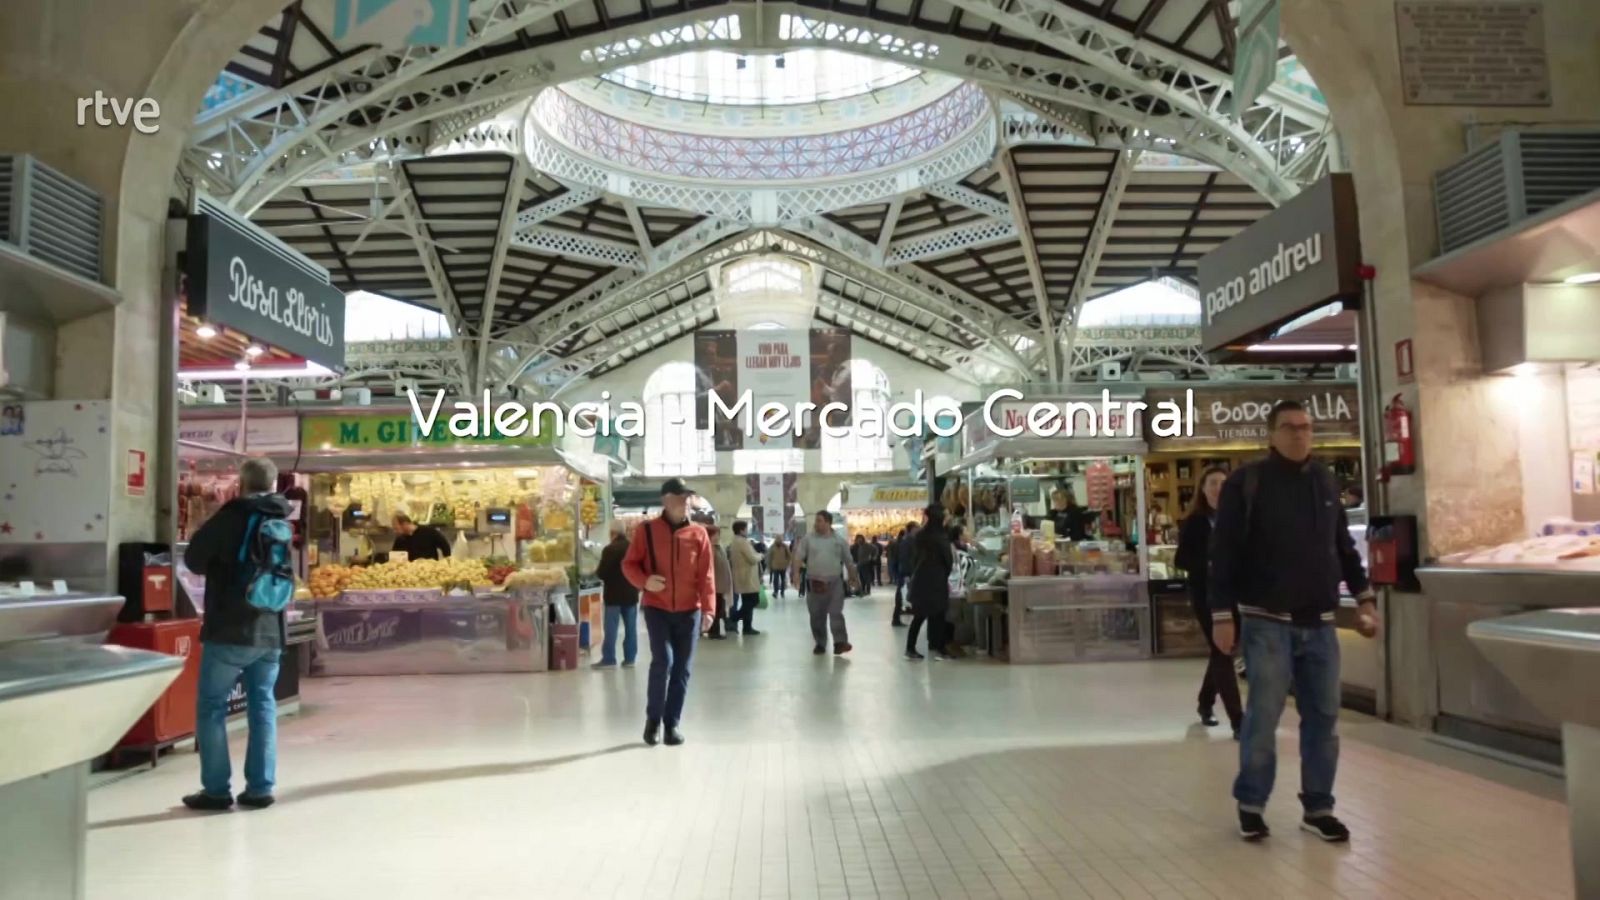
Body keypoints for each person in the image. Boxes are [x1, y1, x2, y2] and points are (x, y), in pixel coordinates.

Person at [1210, 400, 1380, 843]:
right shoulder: (1247, 484)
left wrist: (1363, 598)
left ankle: (1318, 807)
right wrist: (1221, 613)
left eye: (1306, 427)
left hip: (1320, 622)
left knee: (1323, 717)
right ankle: (1252, 803)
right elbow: (1223, 553)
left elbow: (1342, 546)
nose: (1300, 434)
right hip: (1267, 620)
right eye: (1289, 428)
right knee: (1264, 715)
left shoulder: (1325, 481)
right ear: (1271, 434)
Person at [180, 457, 291, 811]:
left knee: (212, 706)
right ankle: (260, 788)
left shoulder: (232, 516)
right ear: (273, 485)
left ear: (241, 484)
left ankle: (215, 790)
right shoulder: (278, 518)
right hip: (270, 629)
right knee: (263, 705)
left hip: (230, 627)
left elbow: (194, 559)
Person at [621, 478, 716, 747]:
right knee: (662, 661)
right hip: (657, 608)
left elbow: (706, 576)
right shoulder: (646, 531)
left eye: (687, 497)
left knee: (682, 669)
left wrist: (709, 610)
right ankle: (653, 721)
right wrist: (644, 582)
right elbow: (629, 565)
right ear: (666, 500)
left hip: (690, 612)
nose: (685, 501)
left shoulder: (698, 534)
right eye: (679, 496)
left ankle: (671, 724)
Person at [1174, 466, 1240, 736]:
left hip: (1234, 593)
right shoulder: (1196, 522)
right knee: (1222, 651)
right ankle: (1239, 720)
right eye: (1212, 483)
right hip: (1205, 595)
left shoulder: (1237, 519)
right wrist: (1210, 563)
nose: (1218, 488)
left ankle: (1205, 703)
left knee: (1222, 650)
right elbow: (1181, 560)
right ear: (1202, 489)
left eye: (1223, 483)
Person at [792, 511, 860, 655]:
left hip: (834, 583)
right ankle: (820, 643)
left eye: (819, 521)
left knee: (836, 612)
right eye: (816, 521)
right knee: (816, 615)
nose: (816, 524)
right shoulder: (808, 539)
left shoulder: (839, 541)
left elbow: (849, 561)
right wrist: (796, 574)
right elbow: (798, 558)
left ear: (828, 523)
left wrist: (853, 577)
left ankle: (840, 642)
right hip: (814, 583)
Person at [905, 505, 953, 661]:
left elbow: (913, 559)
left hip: (921, 579)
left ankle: (910, 648)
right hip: (936, 579)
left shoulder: (921, 535)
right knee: (939, 614)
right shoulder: (940, 536)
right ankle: (939, 648)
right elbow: (948, 560)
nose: (948, 518)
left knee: (919, 616)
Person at [592, 520, 639, 669]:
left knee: (611, 629)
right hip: (631, 594)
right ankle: (630, 659)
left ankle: (609, 659)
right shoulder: (634, 548)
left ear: (613, 533)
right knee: (631, 628)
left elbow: (602, 573)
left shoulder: (609, 549)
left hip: (613, 596)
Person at [729, 521, 764, 636]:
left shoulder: (735, 541)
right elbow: (752, 558)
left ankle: (747, 627)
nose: (747, 531)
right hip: (747, 577)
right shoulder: (742, 542)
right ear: (741, 530)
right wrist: (761, 555)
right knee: (754, 601)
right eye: (746, 528)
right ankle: (734, 617)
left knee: (746, 603)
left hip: (742, 576)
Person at [706, 521, 733, 639]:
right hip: (714, 585)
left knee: (719, 609)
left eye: (718, 534)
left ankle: (714, 630)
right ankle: (714, 631)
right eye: (715, 534)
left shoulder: (718, 547)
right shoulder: (709, 548)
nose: (718, 536)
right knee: (716, 610)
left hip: (720, 585)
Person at [891, 522, 919, 627]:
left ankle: (898, 616)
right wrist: (907, 573)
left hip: (908, 572)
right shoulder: (907, 542)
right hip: (906, 573)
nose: (918, 530)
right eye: (917, 528)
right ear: (912, 529)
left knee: (903, 594)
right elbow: (905, 558)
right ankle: (896, 618)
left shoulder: (909, 541)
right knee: (901, 594)